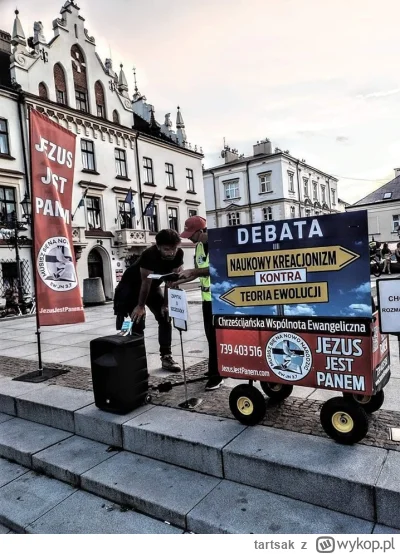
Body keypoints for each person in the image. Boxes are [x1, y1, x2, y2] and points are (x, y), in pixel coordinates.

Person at [113, 229, 183, 372]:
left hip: (153, 287)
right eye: (166, 249)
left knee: (165, 317)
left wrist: (166, 304)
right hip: (130, 289)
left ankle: (166, 356)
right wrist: (140, 306)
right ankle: (136, 361)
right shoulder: (149, 254)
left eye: (173, 248)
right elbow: (145, 282)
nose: (170, 252)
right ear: (158, 247)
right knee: (136, 322)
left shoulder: (178, 254)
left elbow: (171, 281)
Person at [177, 216, 223, 391]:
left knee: (216, 338)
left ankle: (217, 375)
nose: (188, 237)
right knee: (210, 337)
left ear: (202, 231)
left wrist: (194, 270)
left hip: (220, 300)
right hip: (207, 300)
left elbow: (219, 269)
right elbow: (199, 272)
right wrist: (179, 281)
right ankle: (215, 369)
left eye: (191, 234)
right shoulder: (199, 247)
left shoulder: (219, 243)